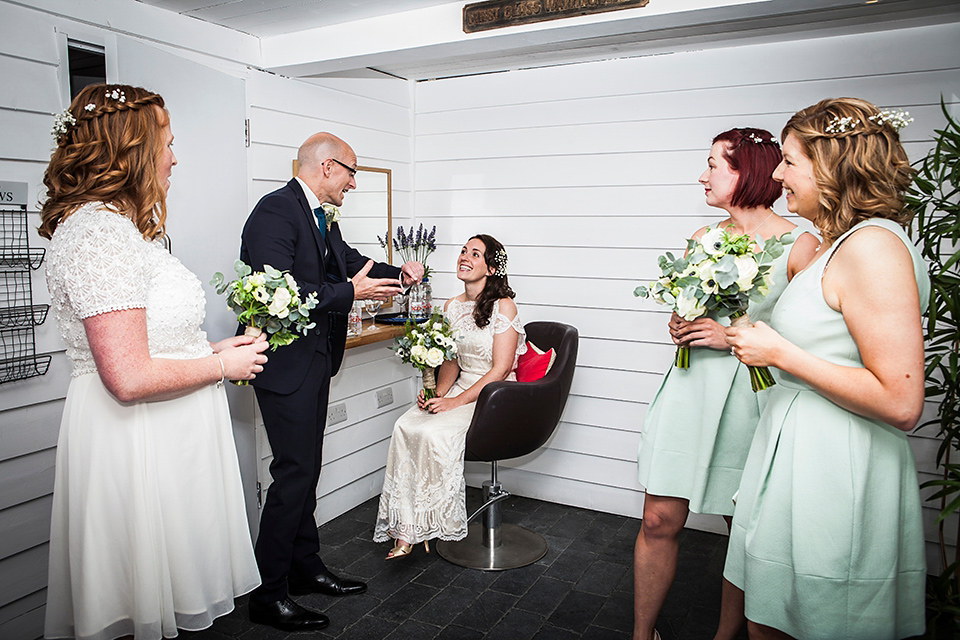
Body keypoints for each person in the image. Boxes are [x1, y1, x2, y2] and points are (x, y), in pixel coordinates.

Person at [40, 84, 269, 640]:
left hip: (166, 431)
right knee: (139, 589)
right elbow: (127, 376)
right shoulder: (98, 235)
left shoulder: (121, 231)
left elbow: (147, 343)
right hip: (137, 437)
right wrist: (221, 369)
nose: (174, 157)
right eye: (166, 142)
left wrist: (212, 349)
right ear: (131, 149)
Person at [724, 98, 928, 640]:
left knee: (814, 621)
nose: (777, 174)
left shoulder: (874, 248)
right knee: (771, 619)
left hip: (837, 465)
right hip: (798, 452)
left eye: (789, 161)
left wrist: (780, 354)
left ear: (833, 165)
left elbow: (902, 401)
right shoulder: (838, 244)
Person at [633, 128, 820, 640]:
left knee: (744, 532)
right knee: (657, 520)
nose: (702, 174)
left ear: (747, 173)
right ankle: (640, 634)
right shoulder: (701, 240)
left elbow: (814, 337)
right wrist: (679, 321)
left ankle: (727, 636)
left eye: (713, 164)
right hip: (690, 392)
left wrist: (730, 335)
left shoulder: (800, 247)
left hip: (751, 400)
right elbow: (686, 305)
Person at [239, 132, 424, 630]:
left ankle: (306, 568)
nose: (354, 183)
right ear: (326, 167)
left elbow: (349, 265)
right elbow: (282, 289)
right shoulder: (274, 212)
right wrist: (349, 291)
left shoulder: (321, 217)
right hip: (283, 365)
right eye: (351, 172)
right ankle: (269, 593)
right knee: (293, 473)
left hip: (316, 361)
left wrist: (400, 275)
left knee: (307, 469)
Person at [373, 234, 526, 558]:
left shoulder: (504, 306)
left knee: (433, 432)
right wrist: (437, 393)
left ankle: (425, 527)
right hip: (458, 388)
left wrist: (455, 403)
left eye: (475, 253)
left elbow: (499, 370)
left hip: (494, 397)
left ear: (492, 267)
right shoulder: (452, 307)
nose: (464, 257)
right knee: (407, 425)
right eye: (462, 251)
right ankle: (407, 528)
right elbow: (452, 361)